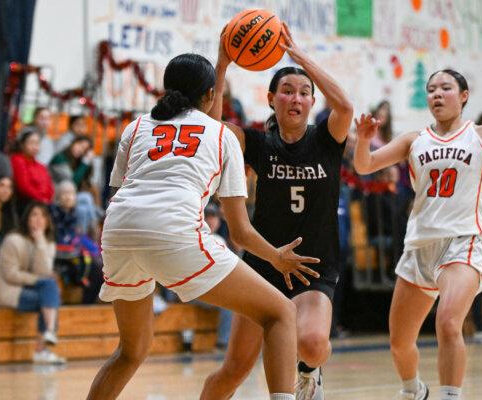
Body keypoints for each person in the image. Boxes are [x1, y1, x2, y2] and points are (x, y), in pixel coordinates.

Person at [85, 53, 320, 400]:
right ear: (210, 95)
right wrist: (276, 257)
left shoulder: (135, 127)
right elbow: (239, 231)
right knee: (280, 313)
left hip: (118, 232)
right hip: (173, 231)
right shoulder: (223, 136)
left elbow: (119, 193)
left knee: (131, 351)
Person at [353, 69, 482, 400]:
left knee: (449, 323)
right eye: (431, 89)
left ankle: (450, 396)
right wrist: (364, 139)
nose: (437, 94)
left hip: (463, 242)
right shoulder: (414, 139)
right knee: (399, 342)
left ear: (464, 96)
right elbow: (364, 165)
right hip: (419, 247)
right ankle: (414, 390)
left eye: (445, 88)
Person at [201, 24, 353, 400]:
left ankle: (309, 373)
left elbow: (346, 105)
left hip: (313, 264)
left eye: (304, 93)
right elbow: (212, 127)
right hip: (264, 265)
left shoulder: (327, 138)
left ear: (312, 103)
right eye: (287, 91)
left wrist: (297, 56)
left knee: (314, 344)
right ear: (272, 99)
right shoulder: (258, 143)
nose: (295, 98)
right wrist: (223, 63)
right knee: (233, 370)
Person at [0, 202, 65, 364]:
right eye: (34, 215)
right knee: (51, 296)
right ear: (27, 219)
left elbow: (43, 271)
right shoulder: (13, 240)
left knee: (50, 292)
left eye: (43, 215)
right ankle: (45, 344)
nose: (39, 219)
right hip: (8, 291)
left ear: (48, 221)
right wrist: (38, 279)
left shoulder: (48, 244)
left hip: (32, 289)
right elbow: (10, 274)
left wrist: (39, 242)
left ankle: (47, 338)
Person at [10, 129, 54, 210]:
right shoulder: (17, 160)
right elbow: (24, 186)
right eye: (31, 143)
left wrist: (47, 199)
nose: (35, 147)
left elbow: (49, 186)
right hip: (26, 203)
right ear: (22, 145)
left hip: (43, 203)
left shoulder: (40, 166)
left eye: (37, 143)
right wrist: (41, 199)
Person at [0, 176, 18, 276]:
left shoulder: (10, 216)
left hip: (2, 264)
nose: (6, 190)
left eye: (9, 187)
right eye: (2, 185)